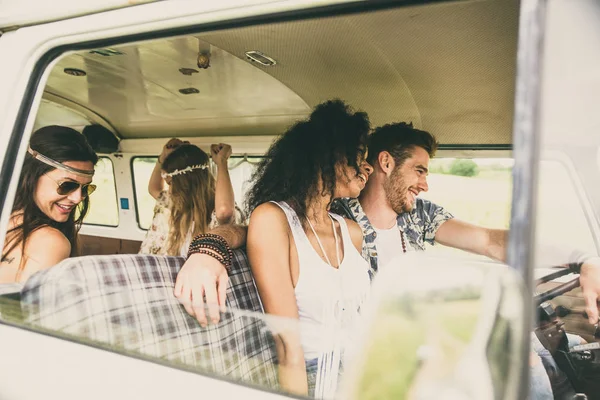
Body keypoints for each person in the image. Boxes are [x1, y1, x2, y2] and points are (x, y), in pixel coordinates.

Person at [245, 100, 372, 397]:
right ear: (329, 157)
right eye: (358, 156)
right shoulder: (273, 221)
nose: (366, 167)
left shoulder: (351, 232)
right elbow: (289, 345)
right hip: (318, 376)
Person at [0, 125, 98, 284]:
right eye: (67, 185)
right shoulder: (51, 241)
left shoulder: (7, 220)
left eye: (86, 188)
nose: (78, 198)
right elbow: (27, 308)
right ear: (32, 176)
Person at [139, 139, 241, 256]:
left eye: (171, 183)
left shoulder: (216, 208)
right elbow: (154, 188)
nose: (169, 189)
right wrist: (163, 156)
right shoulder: (174, 203)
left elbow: (224, 211)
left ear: (184, 184)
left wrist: (222, 162)